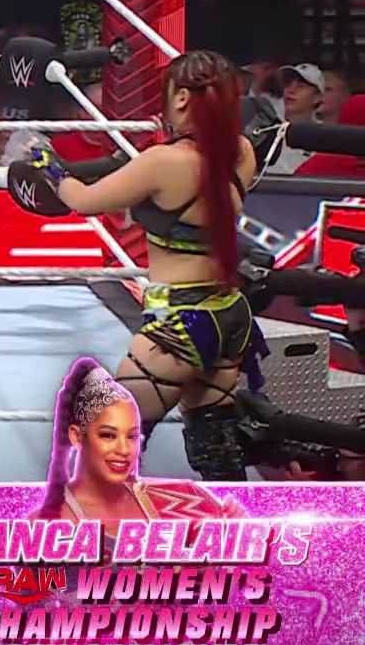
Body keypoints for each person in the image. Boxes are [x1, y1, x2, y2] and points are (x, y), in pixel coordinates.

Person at [19, 51, 260, 480]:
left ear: (182, 98)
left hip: (182, 322)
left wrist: (46, 164)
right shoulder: (241, 152)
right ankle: (239, 521)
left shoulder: (163, 162)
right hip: (230, 314)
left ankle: (92, 523)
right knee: (215, 445)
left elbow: (84, 200)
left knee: (106, 441)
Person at [34, 359, 243, 550]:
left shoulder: (187, 497)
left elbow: (237, 572)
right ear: (77, 436)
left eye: (132, 436)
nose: (124, 449)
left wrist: (231, 540)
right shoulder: (46, 526)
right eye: (108, 435)